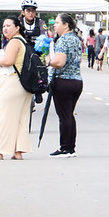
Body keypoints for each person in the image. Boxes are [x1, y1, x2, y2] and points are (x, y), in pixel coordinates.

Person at [0, 16, 33, 160]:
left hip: (12, 82)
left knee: (6, 118)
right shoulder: (23, 40)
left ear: (17, 27)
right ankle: (18, 151)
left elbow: (8, 61)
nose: (5, 29)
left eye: (8, 25)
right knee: (21, 118)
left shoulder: (14, 42)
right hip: (23, 84)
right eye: (3, 26)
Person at [48, 13, 83, 158]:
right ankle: (70, 147)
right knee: (69, 114)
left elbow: (59, 62)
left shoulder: (63, 41)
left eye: (57, 23)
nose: (55, 25)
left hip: (63, 80)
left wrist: (49, 60)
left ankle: (65, 147)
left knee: (64, 115)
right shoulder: (76, 39)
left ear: (66, 25)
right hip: (76, 80)